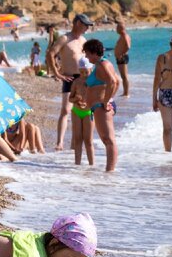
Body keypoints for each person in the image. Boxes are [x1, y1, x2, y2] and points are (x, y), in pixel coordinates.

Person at [46, 14, 93, 151]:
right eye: (85, 25)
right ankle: (59, 142)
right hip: (69, 77)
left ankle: (75, 143)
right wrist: (56, 73)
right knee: (66, 109)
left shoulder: (83, 39)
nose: (87, 28)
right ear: (78, 23)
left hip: (84, 78)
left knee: (81, 110)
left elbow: (88, 59)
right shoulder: (65, 38)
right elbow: (50, 53)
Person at [82, 39, 120, 172]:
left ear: (93, 52)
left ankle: (110, 171)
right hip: (98, 106)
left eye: (86, 53)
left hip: (101, 106)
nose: (85, 56)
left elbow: (114, 81)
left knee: (109, 140)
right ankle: (109, 170)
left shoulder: (103, 64)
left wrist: (106, 101)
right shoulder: (100, 64)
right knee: (106, 140)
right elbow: (117, 81)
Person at [70, 58, 95, 166]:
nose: (84, 74)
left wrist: (89, 103)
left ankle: (91, 165)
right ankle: (77, 164)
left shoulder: (94, 82)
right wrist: (76, 100)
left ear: (91, 69)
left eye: (86, 72)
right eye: (81, 72)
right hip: (76, 111)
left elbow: (98, 98)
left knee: (88, 140)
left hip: (88, 112)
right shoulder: (76, 82)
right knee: (77, 139)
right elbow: (70, 98)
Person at [114, 20, 132, 98]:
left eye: (117, 28)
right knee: (123, 76)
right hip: (120, 57)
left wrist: (122, 54)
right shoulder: (122, 36)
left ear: (121, 28)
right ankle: (125, 92)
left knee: (124, 76)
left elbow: (128, 46)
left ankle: (126, 93)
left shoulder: (125, 36)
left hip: (122, 58)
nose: (116, 30)